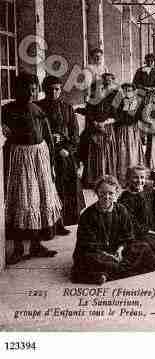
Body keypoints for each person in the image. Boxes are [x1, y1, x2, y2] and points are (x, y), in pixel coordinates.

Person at [2, 73, 62, 264]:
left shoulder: (38, 109)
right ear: (18, 90)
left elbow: (48, 137)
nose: (31, 92)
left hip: (40, 158)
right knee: (23, 199)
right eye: (27, 88)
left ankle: (36, 245)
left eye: (34, 88)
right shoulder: (7, 110)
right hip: (20, 159)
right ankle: (19, 248)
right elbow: (5, 135)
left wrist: (51, 162)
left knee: (40, 199)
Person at [71, 175, 155, 284]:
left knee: (144, 248)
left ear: (116, 193)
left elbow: (128, 236)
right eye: (102, 193)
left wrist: (120, 249)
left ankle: (103, 274)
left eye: (110, 193)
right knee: (86, 260)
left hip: (117, 249)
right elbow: (86, 243)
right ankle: (112, 271)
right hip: (97, 252)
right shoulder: (87, 215)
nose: (106, 197)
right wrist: (106, 255)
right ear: (96, 192)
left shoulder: (121, 210)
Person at [37, 75, 85, 233]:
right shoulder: (38, 107)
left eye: (57, 89)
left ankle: (62, 221)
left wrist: (68, 148)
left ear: (60, 90)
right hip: (45, 154)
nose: (53, 92)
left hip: (65, 155)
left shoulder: (67, 108)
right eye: (50, 89)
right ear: (44, 90)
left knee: (65, 188)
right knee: (48, 189)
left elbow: (75, 135)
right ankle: (48, 225)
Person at [80, 72, 118, 188]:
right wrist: (95, 123)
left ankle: (107, 179)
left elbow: (116, 116)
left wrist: (104, 123)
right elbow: (89, 114)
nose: (104, 88)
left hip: (107, 128)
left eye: (107, 84)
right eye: (101, 86)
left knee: (107, 153)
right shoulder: (92, 100)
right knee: (94, 152)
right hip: (94, 129)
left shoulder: (114, 97)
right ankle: (93, 179)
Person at [115, 82, 145, 186]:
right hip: (123, 130)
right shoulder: (119, 102)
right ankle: (123, 179)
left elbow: (140, 116)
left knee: (134, 152)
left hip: (133, 130)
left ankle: (136, 177)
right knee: (123, 153)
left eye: (130, 90)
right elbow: (117, 116)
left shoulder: (137, 102)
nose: (128, 92)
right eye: (126, 90)